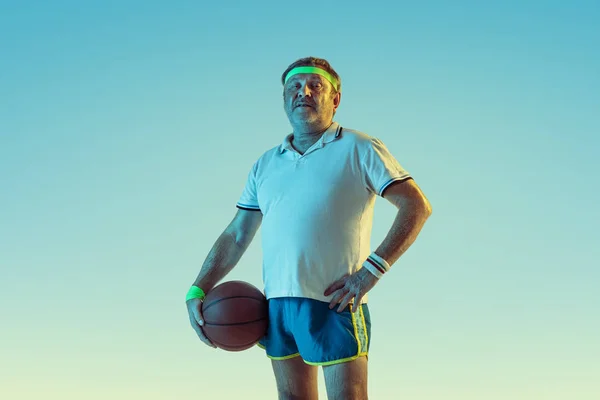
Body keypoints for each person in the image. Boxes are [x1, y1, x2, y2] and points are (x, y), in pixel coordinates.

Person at [186, 56, 432, 400]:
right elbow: (237, 233)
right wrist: (199, 288)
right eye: (294, 87)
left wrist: (370, 273)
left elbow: (417, 206)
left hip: (334, 302)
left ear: (335, 98)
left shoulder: (360, 147)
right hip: (277, 306)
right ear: (285, 98)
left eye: (315, 86)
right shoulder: (265, 164)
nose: (303, 92)